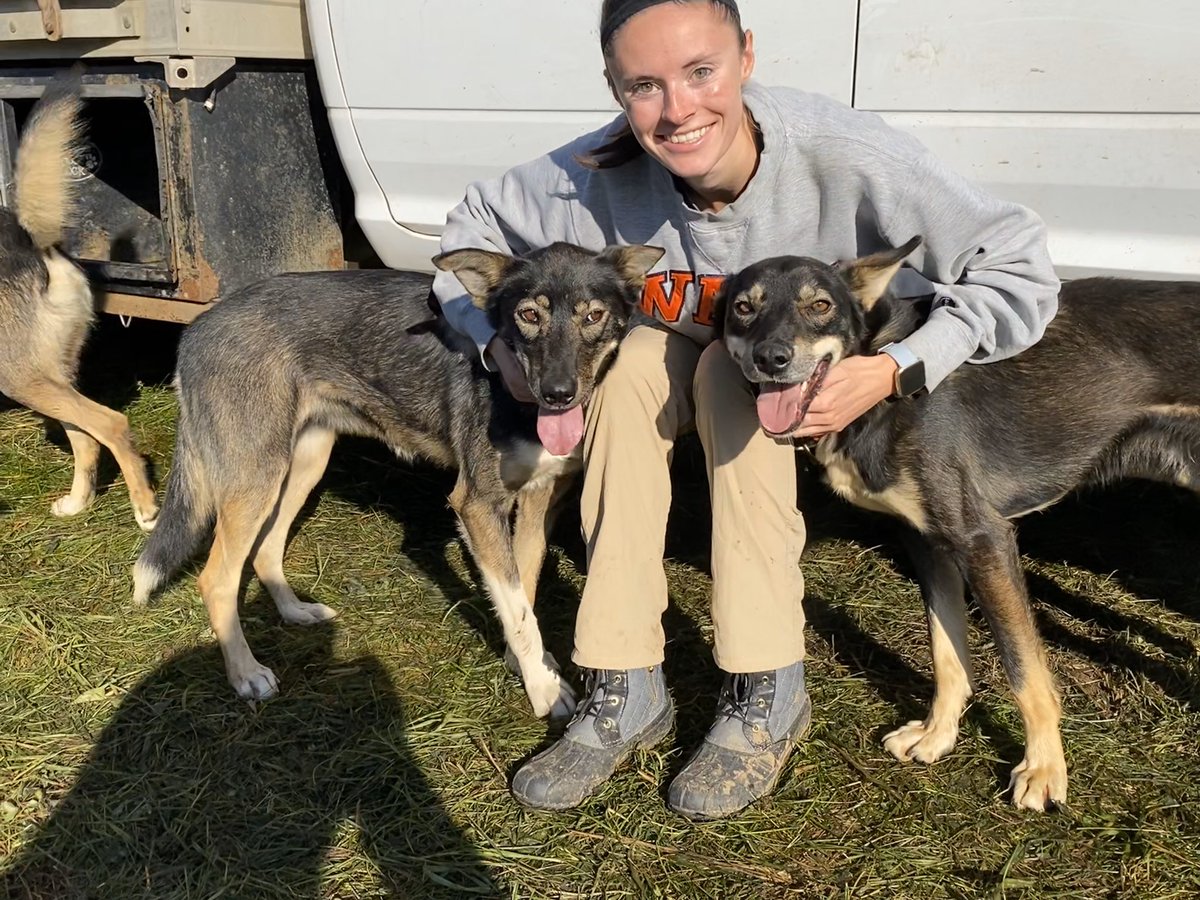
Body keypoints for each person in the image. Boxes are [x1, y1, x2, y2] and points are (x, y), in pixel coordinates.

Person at [432, 0, 1060, 820]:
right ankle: (622, 679)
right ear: (616, 90)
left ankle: (766, 685)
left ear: (747, 57)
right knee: (620, 381)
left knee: (743, 386)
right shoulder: (590, 172)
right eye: (645, 86)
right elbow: (464, 243)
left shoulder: (848, 157)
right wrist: (498, 349)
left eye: (701, 73)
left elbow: (1019, 267)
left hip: (772, 366)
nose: (679, 109)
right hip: (669, 347)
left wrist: (896, 369)